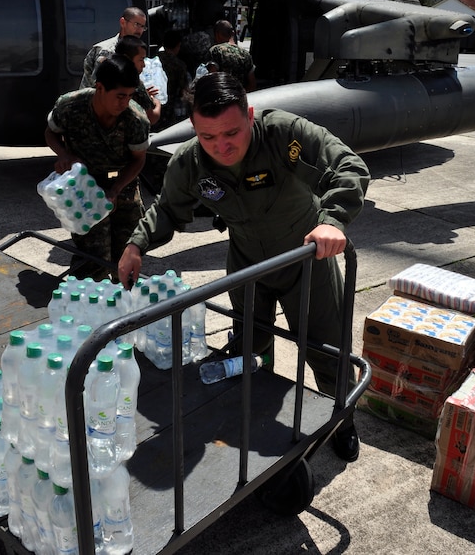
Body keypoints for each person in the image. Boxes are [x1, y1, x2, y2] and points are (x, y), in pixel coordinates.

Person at [118, 72, 370, 462]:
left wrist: (332, 219)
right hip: (247, 263)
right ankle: (258, 405)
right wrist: (137, 244)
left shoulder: (282, 133)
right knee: (251, 346)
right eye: (208, 136)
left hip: (305, 258)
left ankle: (343, 420)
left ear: (249, 115)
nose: (221, 146)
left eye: (231, 133)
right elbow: (168, 208)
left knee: (326, 350)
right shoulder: (191, 160)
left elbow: (349, 166)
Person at [45, 55, 149, 280]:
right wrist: (64, 155)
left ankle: (125, 306)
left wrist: (116, 189)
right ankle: (89, 306)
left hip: (123, 186)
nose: (125, 103)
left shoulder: (135, 118)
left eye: (130, 96)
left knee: (127, 254)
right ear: (99, 87)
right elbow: (50, 132)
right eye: (120, 96)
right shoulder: (71, 105)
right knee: (92, 258)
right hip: (84, 186)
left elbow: (138, 160)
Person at [80, 6, 147, 88]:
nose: (140, 30)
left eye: (142, 27)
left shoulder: (137, 50)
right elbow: (99, 87)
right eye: (137, 24)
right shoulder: (107, 50)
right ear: (123, 22)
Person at [115, 36, 162, 126]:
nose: (143, 65)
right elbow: (151, 118)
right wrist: (157, 103)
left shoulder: (106, 76)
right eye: (141, 59)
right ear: (127, 58)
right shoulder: (134, 82)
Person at [155, 30, 190, 130]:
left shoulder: (154, 60)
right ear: (178, 45)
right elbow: (183, 90)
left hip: (153, 103)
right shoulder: (179, 65)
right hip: (169, 109)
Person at [208, 19, 257, 91]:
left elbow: (211, 81)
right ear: (233, 33)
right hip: (240, 98)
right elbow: (252, 84)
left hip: (223, 98)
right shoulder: (245, 53)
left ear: (217, 34)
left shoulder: (215, 51)